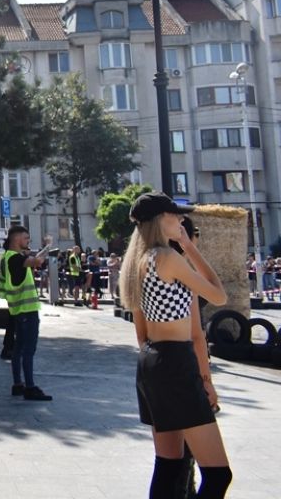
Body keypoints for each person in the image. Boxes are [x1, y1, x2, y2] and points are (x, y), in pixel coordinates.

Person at [120, 192, 231, 498]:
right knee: (218, 475)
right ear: (161, 219)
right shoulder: (168, 257)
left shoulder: (138, 262)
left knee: (169, 465)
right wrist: (189, 246)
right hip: (176, 362)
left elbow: (141, 333)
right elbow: (219, 295)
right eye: (175, 214)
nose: (181, 220)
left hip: (152, 361)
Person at [0, 224, 53, 400]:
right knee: (28, 350)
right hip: (26, 310)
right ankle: (30, 387)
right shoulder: (15, 258)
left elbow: (34, 261)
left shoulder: (8, 257)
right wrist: (48, 246)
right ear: (16, 239)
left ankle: (18, 384)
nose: (28, 241)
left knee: (18, 349)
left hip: (17, 310)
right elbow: (37, 261)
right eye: (26, 238)